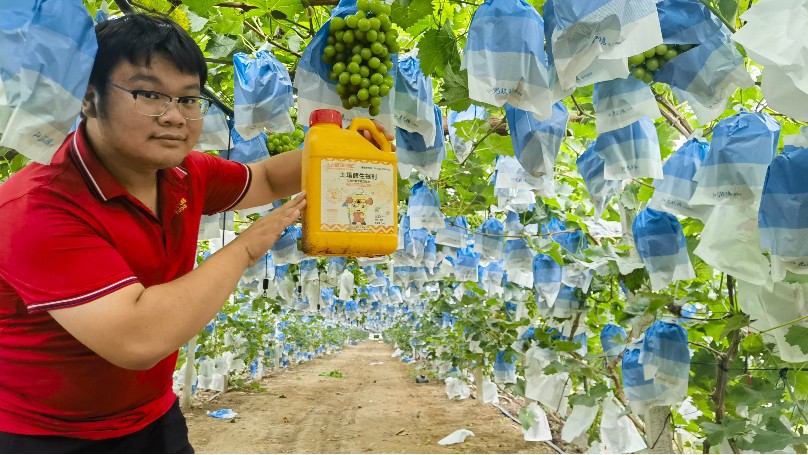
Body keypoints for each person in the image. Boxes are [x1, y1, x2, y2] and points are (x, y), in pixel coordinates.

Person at [0, 13, 393, 453]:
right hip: (45, 436)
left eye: (188, 100)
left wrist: (338, 151)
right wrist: (245, 249)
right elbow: (137, 337)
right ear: (89, 98)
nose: (174, 117)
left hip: (154, 416)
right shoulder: (35, 208)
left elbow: (262, 179)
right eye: (149, 94)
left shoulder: (184, 173)